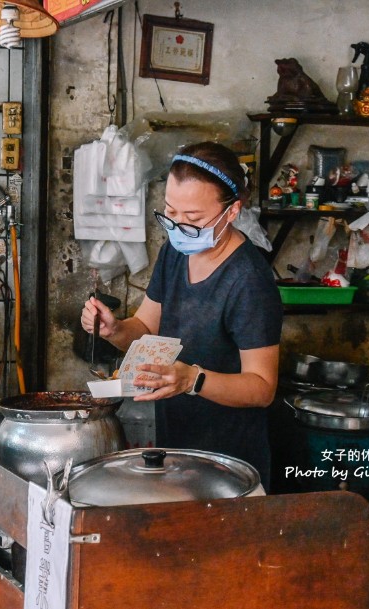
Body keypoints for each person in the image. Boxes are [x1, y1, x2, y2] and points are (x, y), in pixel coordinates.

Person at [80, 141, 283, 489]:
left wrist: (192, 380)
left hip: (230, 463)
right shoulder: (174, 254)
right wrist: (114, 329)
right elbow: (145, 326)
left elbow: (262, 387)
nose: (177, 227)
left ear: (232, 212)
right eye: (170, 213)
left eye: (193, 219)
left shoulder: (249, 280)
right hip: (177, 451)